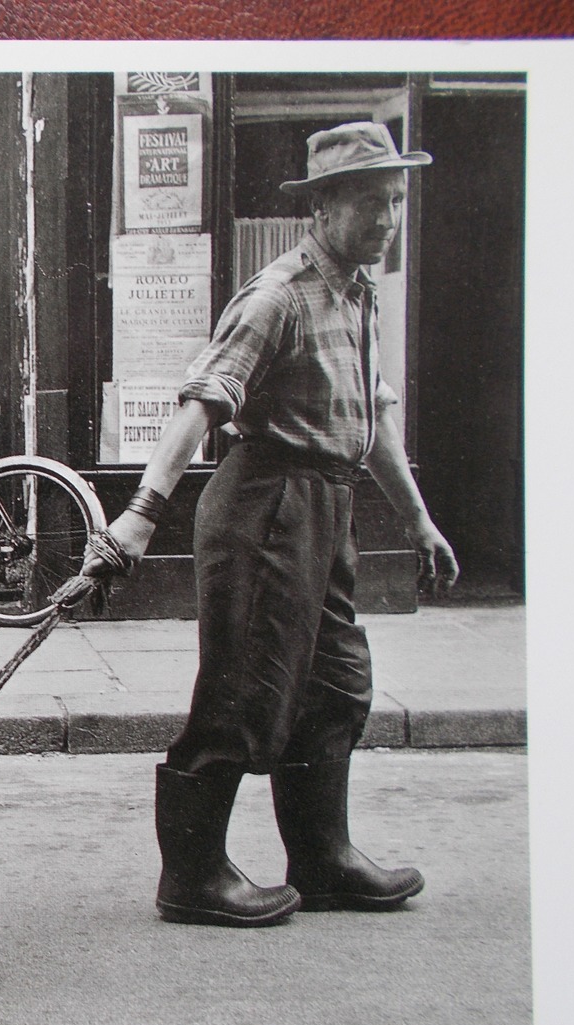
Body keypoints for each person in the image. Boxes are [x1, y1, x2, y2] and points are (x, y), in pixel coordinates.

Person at [84, 122, 459, 928]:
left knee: (336, 685)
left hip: (327, 506)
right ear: (322, 207)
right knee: (241, 691)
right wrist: (143, 515)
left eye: (395, 201)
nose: (388, 218)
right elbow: (202, 401)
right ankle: (192, 876)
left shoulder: (356, 293)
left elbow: (375, 417)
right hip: (265, 508)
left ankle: (322, 859)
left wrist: (420, 520)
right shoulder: (277, 297)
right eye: (370, 201)